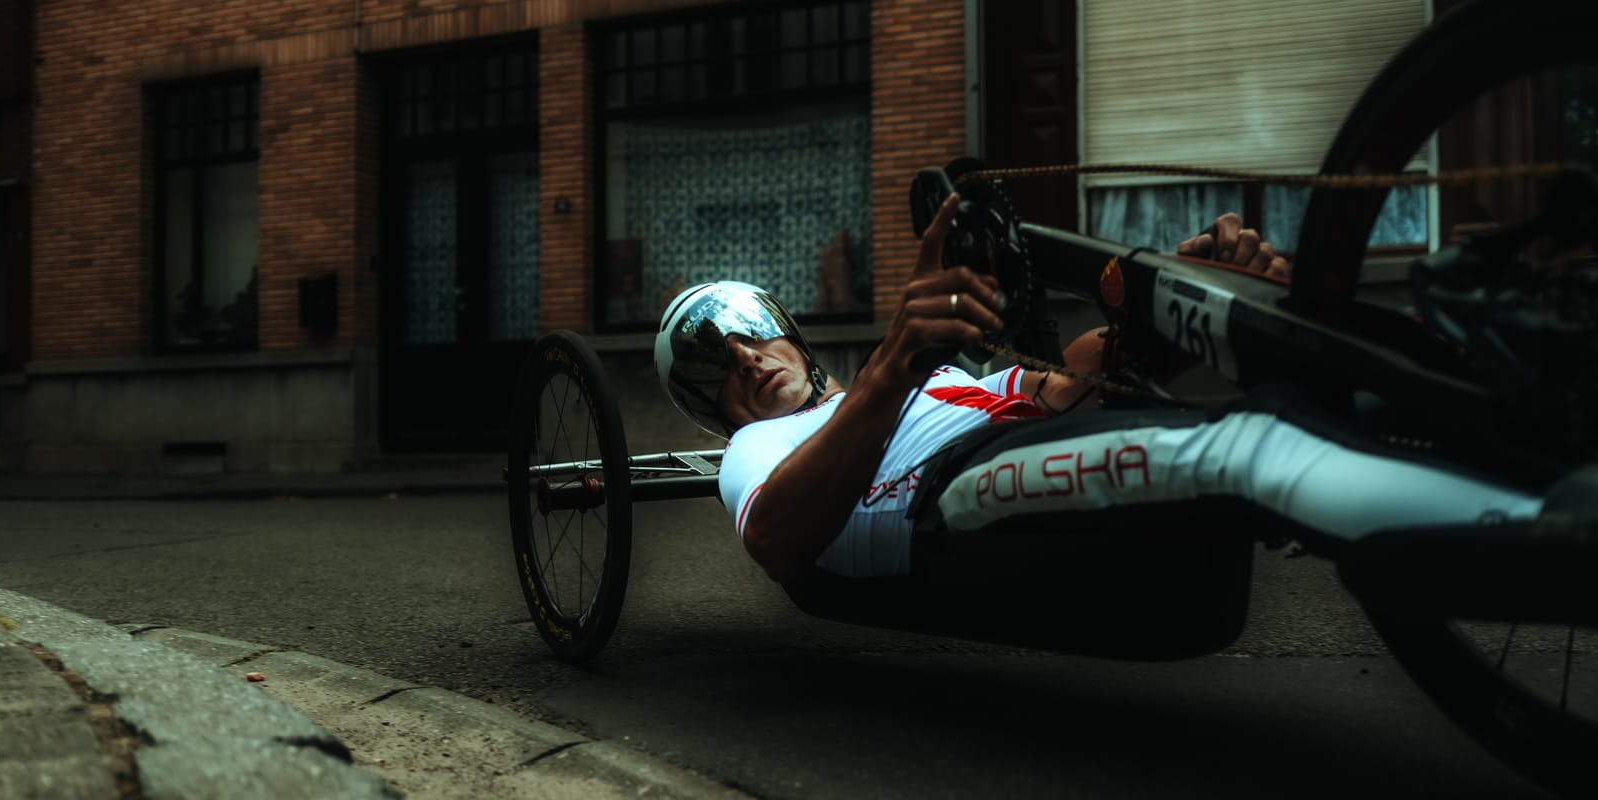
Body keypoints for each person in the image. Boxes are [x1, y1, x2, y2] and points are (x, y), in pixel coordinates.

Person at [656, 194, 1543, 586]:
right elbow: (777, 541)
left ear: (785, 328)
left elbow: (1074, 381)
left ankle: (1525, 409)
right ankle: (1553, 535)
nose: (741, 356)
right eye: (710, 364)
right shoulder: (754, 447)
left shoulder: (946, 381)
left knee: (1315, 383)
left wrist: (1183, 297)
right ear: (712, 407)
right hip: (941, 500)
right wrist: (892, 364)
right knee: (1246, 450)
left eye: (747, 328)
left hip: (1010, 448)